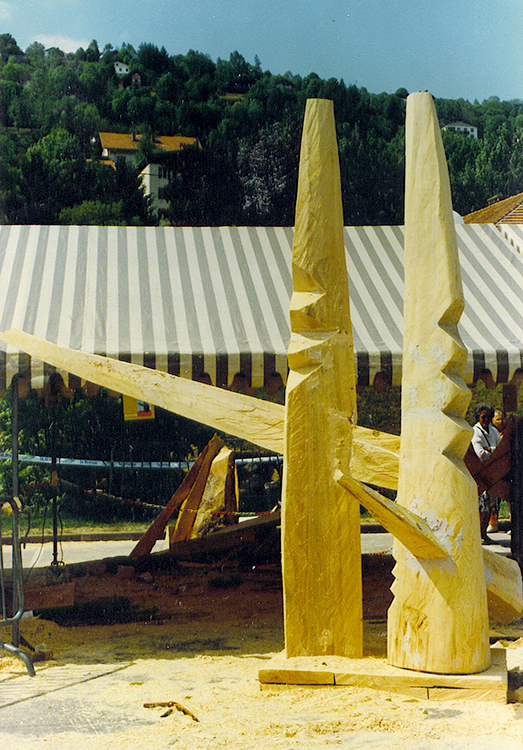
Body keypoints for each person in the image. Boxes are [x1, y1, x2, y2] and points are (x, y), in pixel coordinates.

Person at [471, 403, 501, 544]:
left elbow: (501, 451)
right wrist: (492, 451)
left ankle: (484, 534)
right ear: (478, 417)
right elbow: (480, 454)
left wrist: (490, 448)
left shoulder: (493, 431)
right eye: (483, 416)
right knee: (481, 508)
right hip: (480, 475)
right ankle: (478, 534)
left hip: (492, 475)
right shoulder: (475, 432)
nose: (486, 419)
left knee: (490, 507)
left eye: (489, 417)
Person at [487, 408, 508, 532]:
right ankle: (493, 523)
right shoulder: (490, 432)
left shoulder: (510, 432)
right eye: (498, 419)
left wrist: (492, 448)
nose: (500, 421)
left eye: (502, 418)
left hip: (506, 468)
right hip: (494, 469)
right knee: (494, 499)